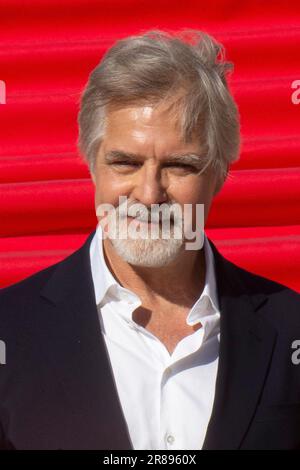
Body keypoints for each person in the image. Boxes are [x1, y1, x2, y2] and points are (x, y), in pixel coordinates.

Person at [0, 29, 300, 450]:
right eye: (125, 162)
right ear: (92, 164)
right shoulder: (8, 330)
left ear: (219, 174)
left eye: (179, 165)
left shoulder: (290, 330)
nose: (148, 193)